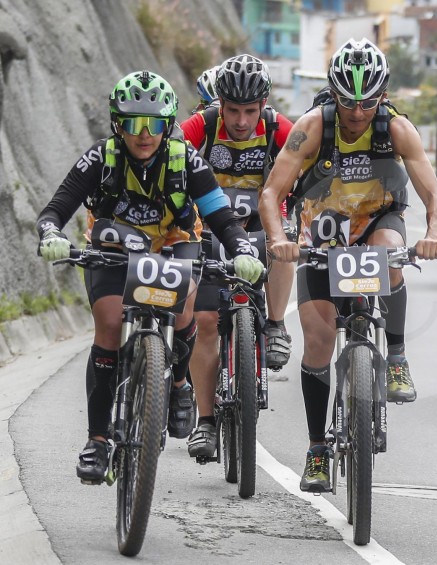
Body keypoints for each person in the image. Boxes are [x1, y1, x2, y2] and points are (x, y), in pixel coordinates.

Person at [36, 70, 265, 484]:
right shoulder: (100, 157)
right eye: (133, 123)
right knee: (107, 325)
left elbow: (223, 218)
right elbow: (56, 208)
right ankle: (98, 440)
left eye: (155, 124)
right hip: (115, 248)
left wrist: (244, 250)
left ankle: (179, 381)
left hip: (174, 243)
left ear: (168, 124)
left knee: (183, 311)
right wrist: (51, 233)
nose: (145, 134)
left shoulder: (186, 160)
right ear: (116, 124)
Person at [258, 38, 437, 491]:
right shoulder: (312, 127)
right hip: (322, 231)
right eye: (347, 103)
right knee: (319, 341)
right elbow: (270, 193)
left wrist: (433, 235)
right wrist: (278, 240)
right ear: (332, 95)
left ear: (381, 97)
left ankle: (396, 356)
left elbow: (434, 195)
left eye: (367, 103)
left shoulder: (397, 129)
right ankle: (317, 449)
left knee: (388, 252)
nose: (357, 113)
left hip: (378, 217)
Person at [179, 54, 295, 459]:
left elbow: (315, 166)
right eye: (232, 111)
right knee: (206, 321)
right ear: (220, 105)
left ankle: (276, 324)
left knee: (287, 242)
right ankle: (206, 421)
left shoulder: (282, 128)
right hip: (211, 228)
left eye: (250, 111)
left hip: (262, 225)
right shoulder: (201, 126)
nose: (242, 121)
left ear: (263, 105)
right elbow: (167, 161)